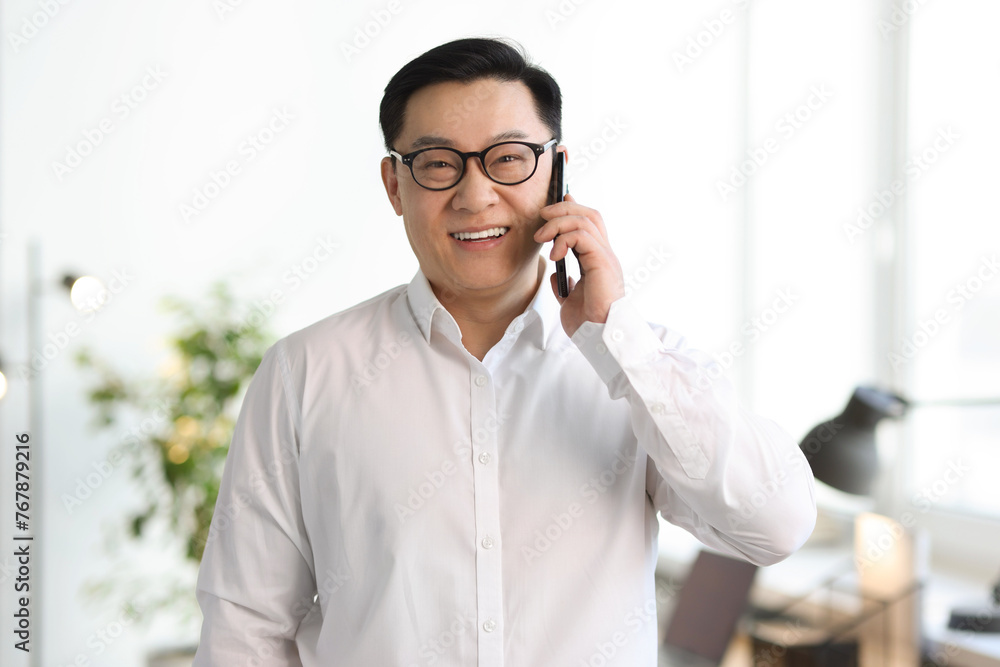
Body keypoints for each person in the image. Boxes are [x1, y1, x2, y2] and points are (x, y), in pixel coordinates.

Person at [193, 37, 816, 666]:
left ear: (558, 172)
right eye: (438, 163)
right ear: (393, 184)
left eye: (509, 159)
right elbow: (246, 629)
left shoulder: (642, 366)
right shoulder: (306, 372)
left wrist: (619, 339)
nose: (475, 195)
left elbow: (774, 527)